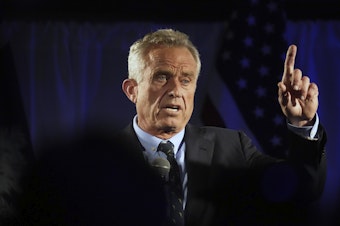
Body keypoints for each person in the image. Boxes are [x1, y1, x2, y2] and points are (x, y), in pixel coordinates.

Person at [116, 28, 327, 226]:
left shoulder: (232, 148)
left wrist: (302, 124)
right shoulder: (105, 160)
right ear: (132, 90)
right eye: (162, 77)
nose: (176, 90)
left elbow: (301, 188)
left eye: (186, 80)